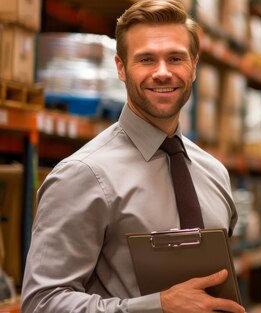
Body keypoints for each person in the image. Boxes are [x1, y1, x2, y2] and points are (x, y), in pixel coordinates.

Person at [21, 1, 245, 312]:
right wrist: (158, 306)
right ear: (121, 68)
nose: (163, 72)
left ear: (194, 65)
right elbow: (41, 303)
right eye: (147, 60)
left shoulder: (214, 173)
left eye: (175, 58)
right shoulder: (83, 175)